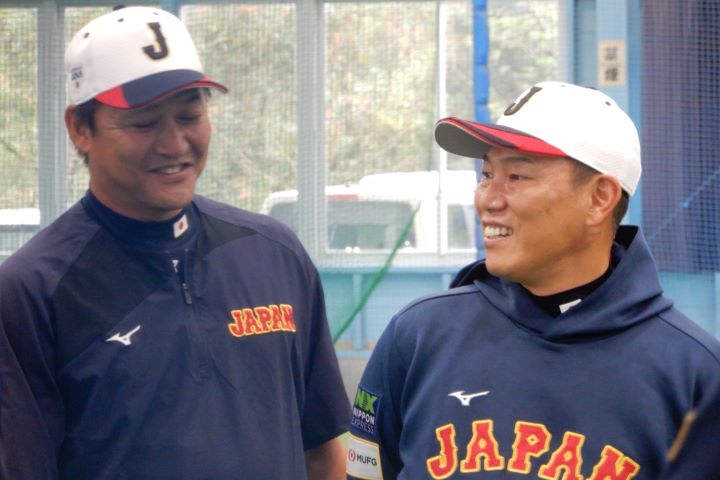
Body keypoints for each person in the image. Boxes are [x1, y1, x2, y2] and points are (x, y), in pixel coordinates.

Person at [0, 6, 349, 479]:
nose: (175, 143)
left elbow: (321, 451)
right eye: (144, 123)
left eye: (190, 115)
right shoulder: (33, 290)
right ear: (81, 128)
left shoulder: (274, 254)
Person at [346, 81, 720, 479]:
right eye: (487, 174)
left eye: (518, 177)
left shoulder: (694, 373)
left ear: (599, 198)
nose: (488, 199)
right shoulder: (419, 336)